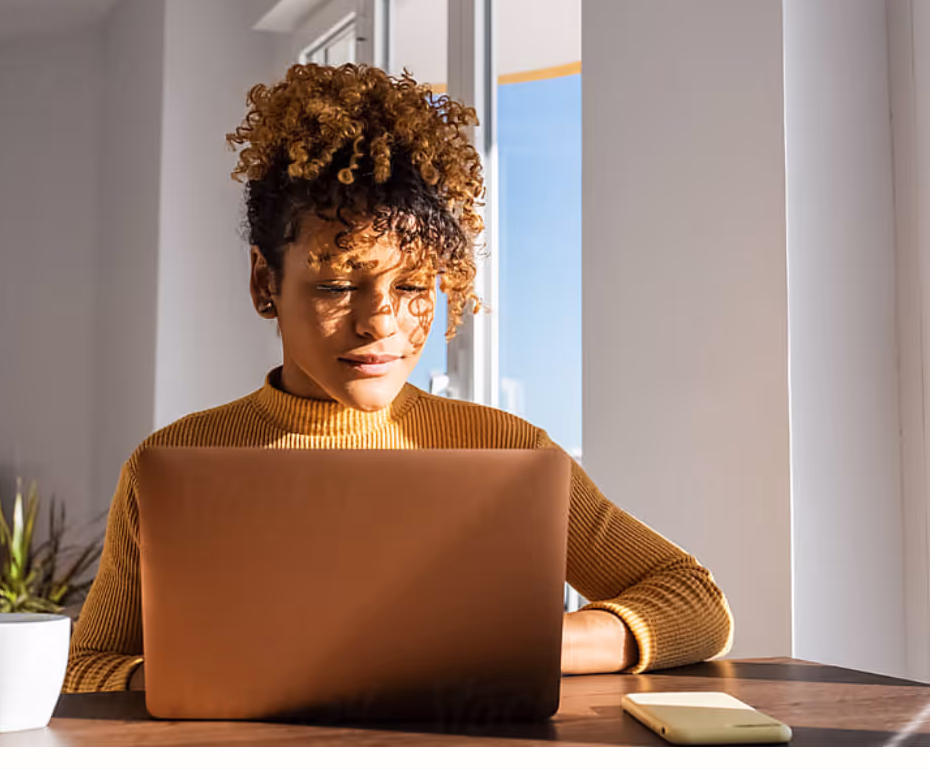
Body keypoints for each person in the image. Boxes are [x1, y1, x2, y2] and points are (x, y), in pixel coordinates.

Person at [64, 63, 733, 694]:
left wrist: (498, 649)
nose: (379, 322)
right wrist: (236, 672)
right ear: (264, 282)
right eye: (334, 285)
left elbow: (695, 603)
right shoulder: (172, 462)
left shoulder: (501, 449)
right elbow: (86, 667)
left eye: (413, 284)